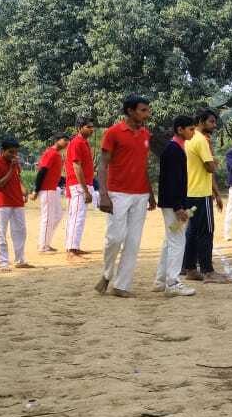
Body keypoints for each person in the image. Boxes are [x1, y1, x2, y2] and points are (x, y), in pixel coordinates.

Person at [95, 95, 157, 298]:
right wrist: (103, 194)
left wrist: (150, 193)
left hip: (140, 194)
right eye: (143, 110)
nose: (147, 114)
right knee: (115, 238)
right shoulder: (113, 133)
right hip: (117, 194)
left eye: (147, 110)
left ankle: (121, 285)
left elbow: (142, 165)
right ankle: (107, 274)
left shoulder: (145, 134)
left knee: (133, 241)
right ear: (130, 111)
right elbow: (103, 165)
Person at [182, 109, 227, 284]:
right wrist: (215, 162)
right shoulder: (201, 140)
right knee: (206, 231)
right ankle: (208, 271)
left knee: (192, 231)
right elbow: (210, 167)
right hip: (201, 193)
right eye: (211, 122)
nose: (214, 125)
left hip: (190, 192)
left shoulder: (189, 138)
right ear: (201, 122)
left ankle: (190, 268)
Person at [154, 116, 196, 297]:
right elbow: (171, 181)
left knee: (169, 240)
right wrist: (178, 206)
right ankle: (172, 282)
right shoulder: (173, 150)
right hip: (173, 204)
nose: (193, 132)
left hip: (172, 202)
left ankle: (160, 281)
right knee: (177, 241)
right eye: (190, 129)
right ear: (180, 129)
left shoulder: (176, 149)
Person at [0, 139, 33, 271]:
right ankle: (3, 262)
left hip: (17, 201)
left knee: (20, 232)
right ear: (2, 150)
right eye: (11, 152)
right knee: (1, 233)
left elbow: (18, 179)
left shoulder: (15, 163)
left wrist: (24, 191)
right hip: (3, 203)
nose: (14, 155)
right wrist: (11, 169)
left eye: (16, 152)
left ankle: (20, 260)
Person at [32, 133, 69, 253]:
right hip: (46, 189)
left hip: (53, 189)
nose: (66, 142)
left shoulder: (57, 154)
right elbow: (42, 171)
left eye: (68, 140)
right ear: (57, 140)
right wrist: (36, 190)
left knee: (58, 215)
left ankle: (45, 242)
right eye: (64, 139)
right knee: (47, 218)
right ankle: (43, 246)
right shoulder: (51, 153)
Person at [65, 118, 96, 260]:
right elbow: (76, 166)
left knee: (77, 216)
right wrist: (85, 190)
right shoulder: (77, 142)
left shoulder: (84, 142)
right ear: (79, 128)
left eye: (92, 127)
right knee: (77, 217)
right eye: (88, 127)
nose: (91, 129)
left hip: (82, 184)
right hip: (78, 185)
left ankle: (73, 246)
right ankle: (72, 250)